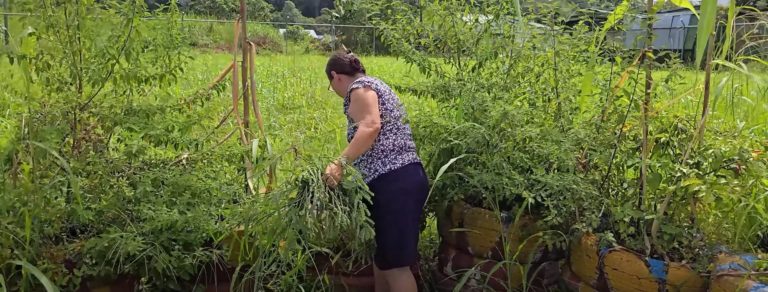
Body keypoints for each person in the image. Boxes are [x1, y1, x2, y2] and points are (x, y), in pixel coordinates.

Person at [322, 48, 428, 292]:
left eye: (332, 86)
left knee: (396, 266)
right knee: (383, 260)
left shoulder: (359, 89)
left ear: (336, 76)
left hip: (395, 182)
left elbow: (370, 127)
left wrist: (339, 164)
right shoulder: (374, 85)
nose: (336, 92)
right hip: (395, 181)